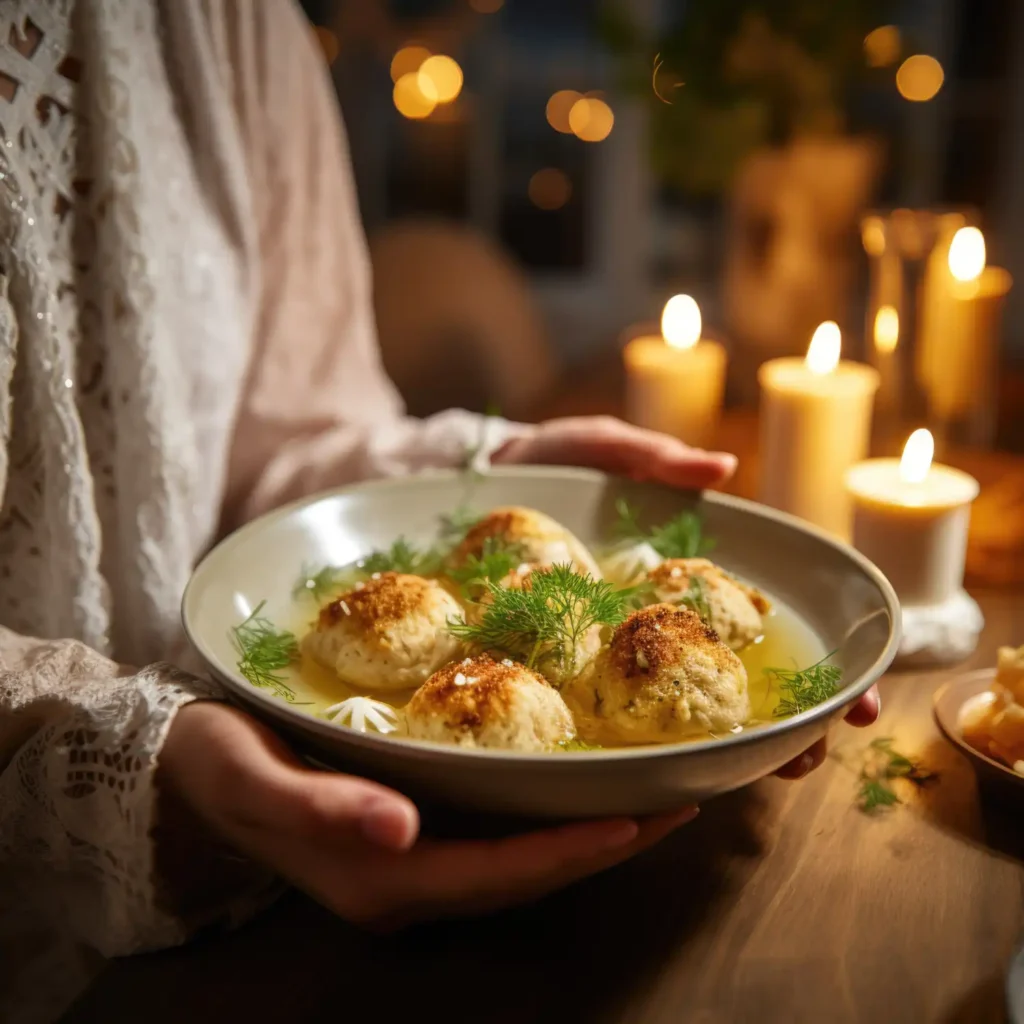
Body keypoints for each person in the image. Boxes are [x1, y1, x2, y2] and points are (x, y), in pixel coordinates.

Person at [0, 1, 879, 1019]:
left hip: (305, 867)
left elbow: (291, 438)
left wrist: (488, 469)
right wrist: (137, 737)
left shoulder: (228, 19)